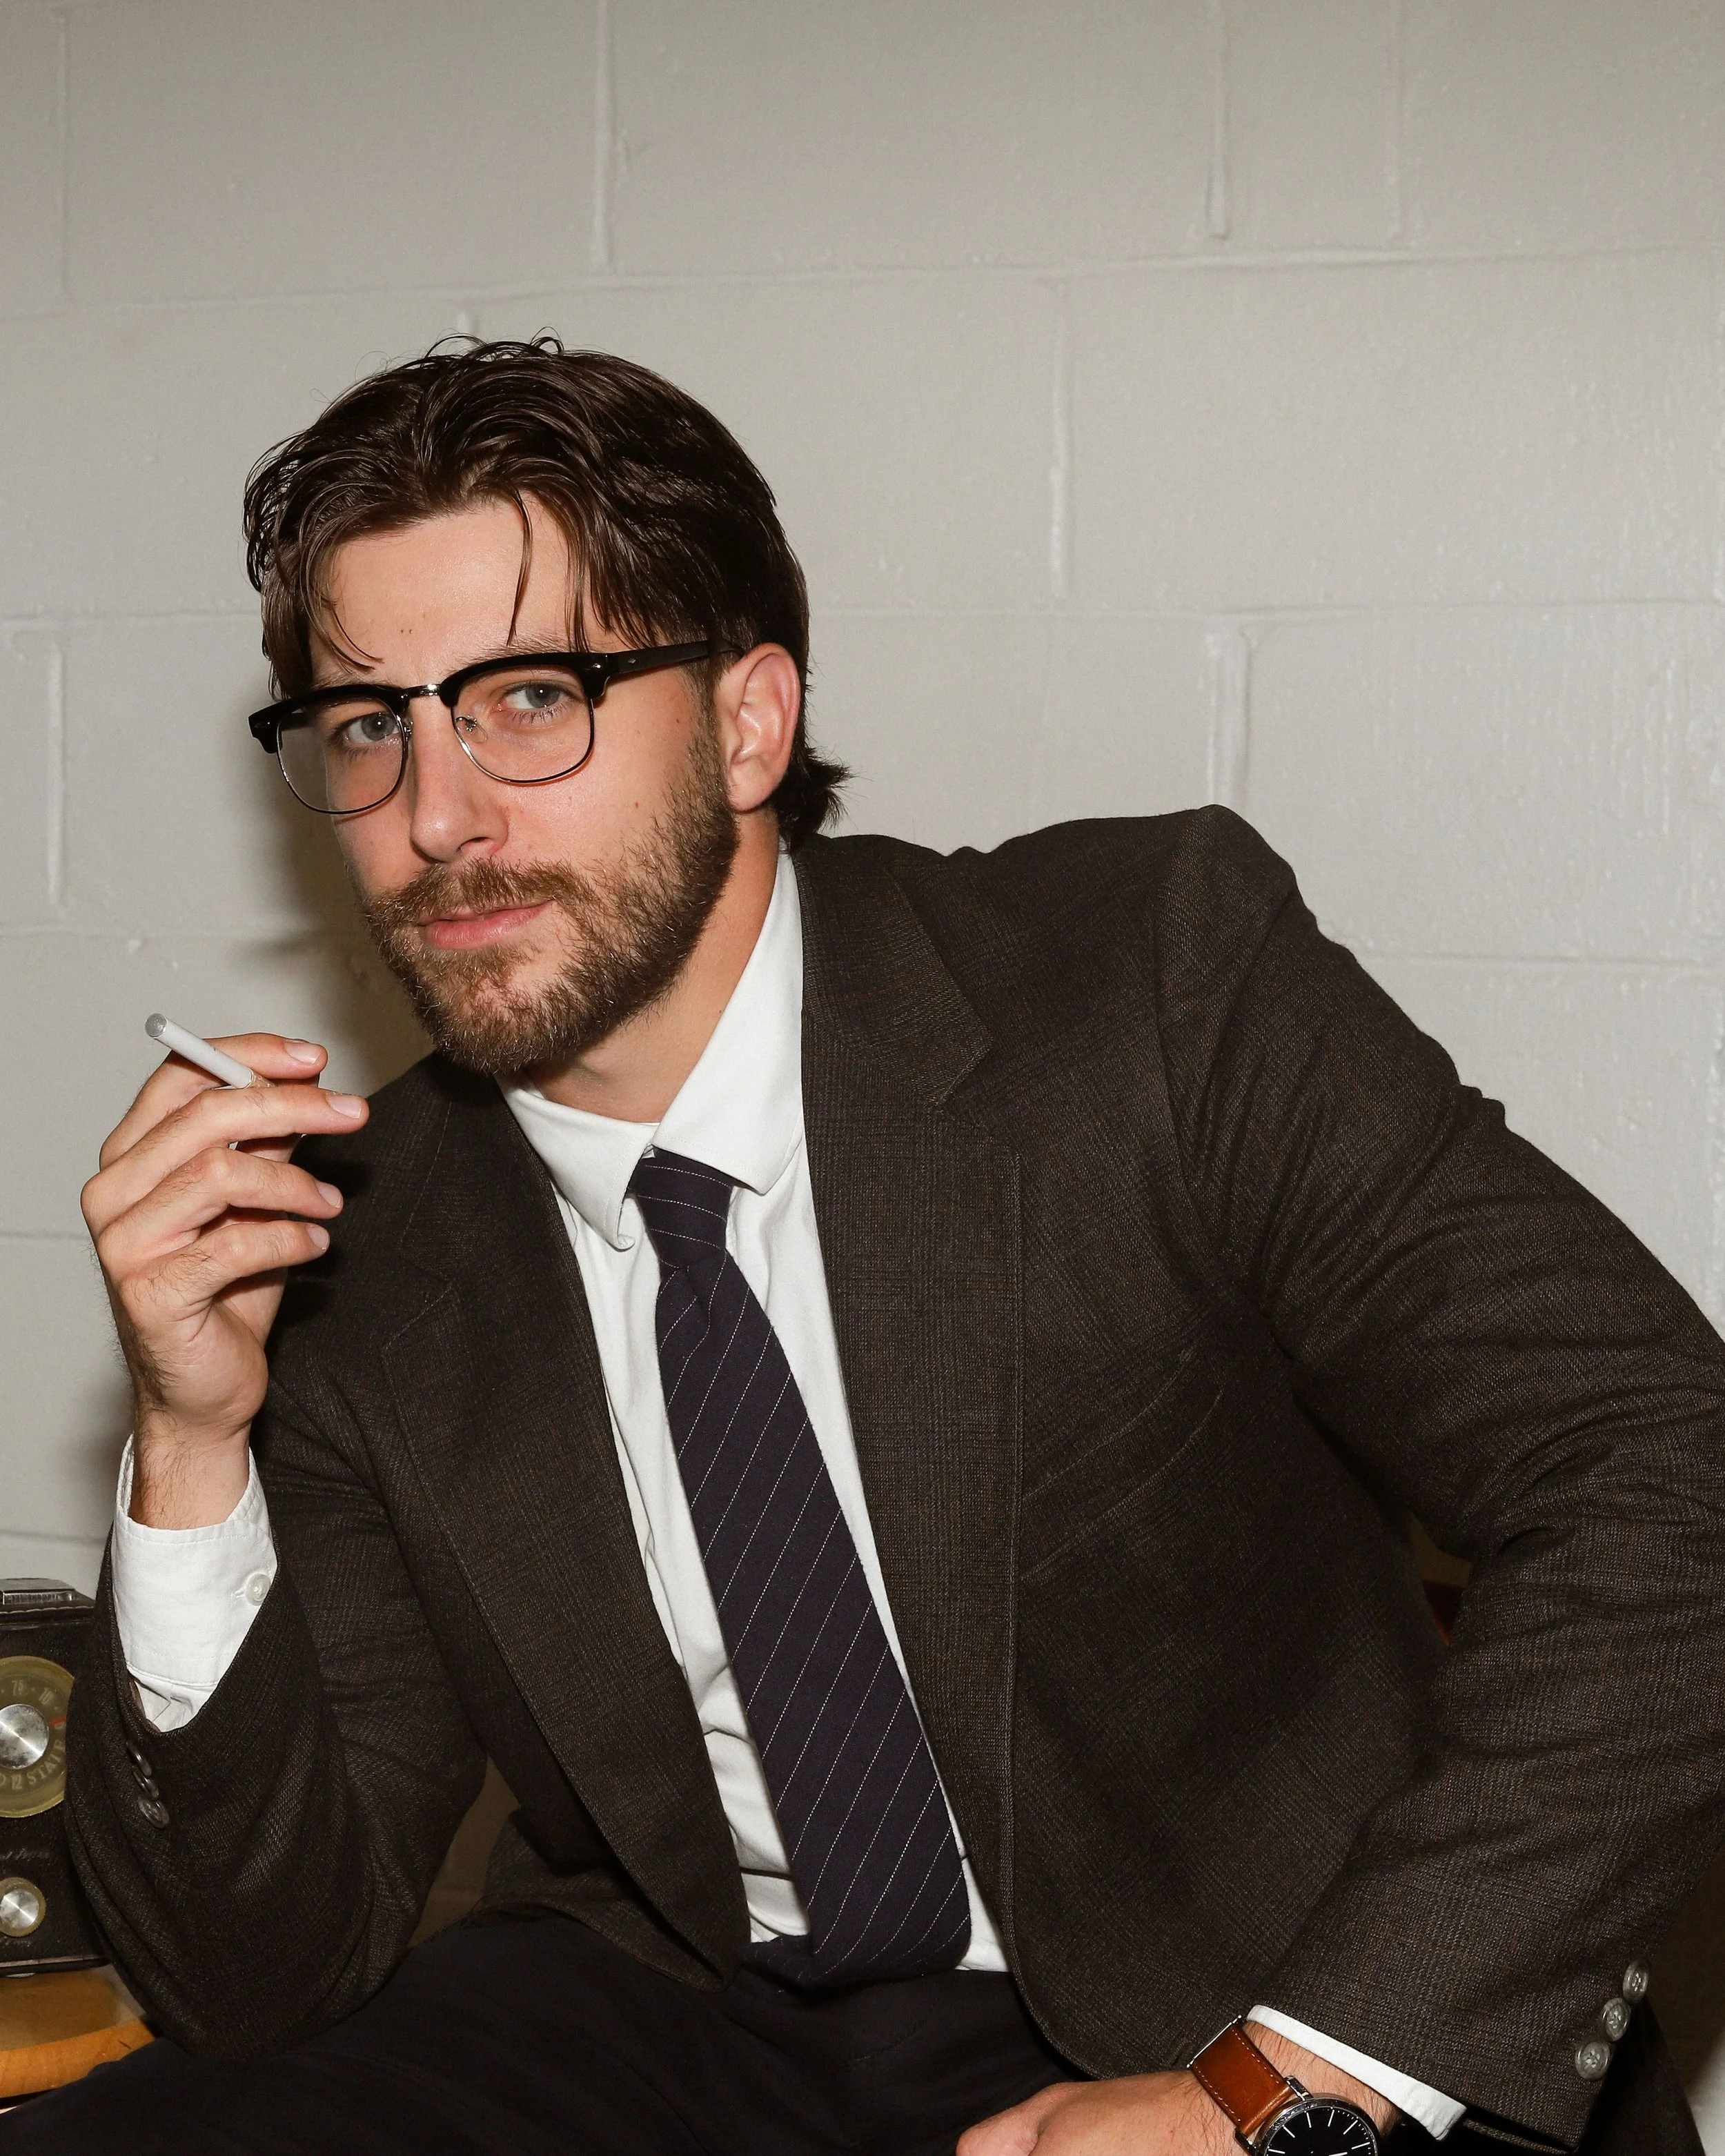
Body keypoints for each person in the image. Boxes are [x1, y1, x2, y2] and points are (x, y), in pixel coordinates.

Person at [17, 337, 1722, 2155]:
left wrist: (1287, 2086)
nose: (437, 816)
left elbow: (1664, 1476)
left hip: (1266, 1993)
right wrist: (192, 1438)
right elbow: (253, 1977)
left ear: (749, 720)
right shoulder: (372, 1238)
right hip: (699, 2009)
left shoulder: (1140, 983)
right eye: (373, 726)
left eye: (528, 699)